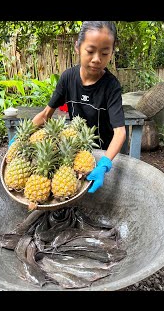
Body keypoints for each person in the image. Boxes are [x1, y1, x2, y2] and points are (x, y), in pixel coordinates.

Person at [31, 21, 126, 193]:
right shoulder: (67, 78)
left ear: (111, 53)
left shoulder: (112, 86)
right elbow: (46, 114)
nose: (97, 59)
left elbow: (120, 132)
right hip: (76, 151)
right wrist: (22, 138)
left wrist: (104, 164)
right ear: (77, 47)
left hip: (105, 152)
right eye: (90, 51)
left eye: (104, 53)